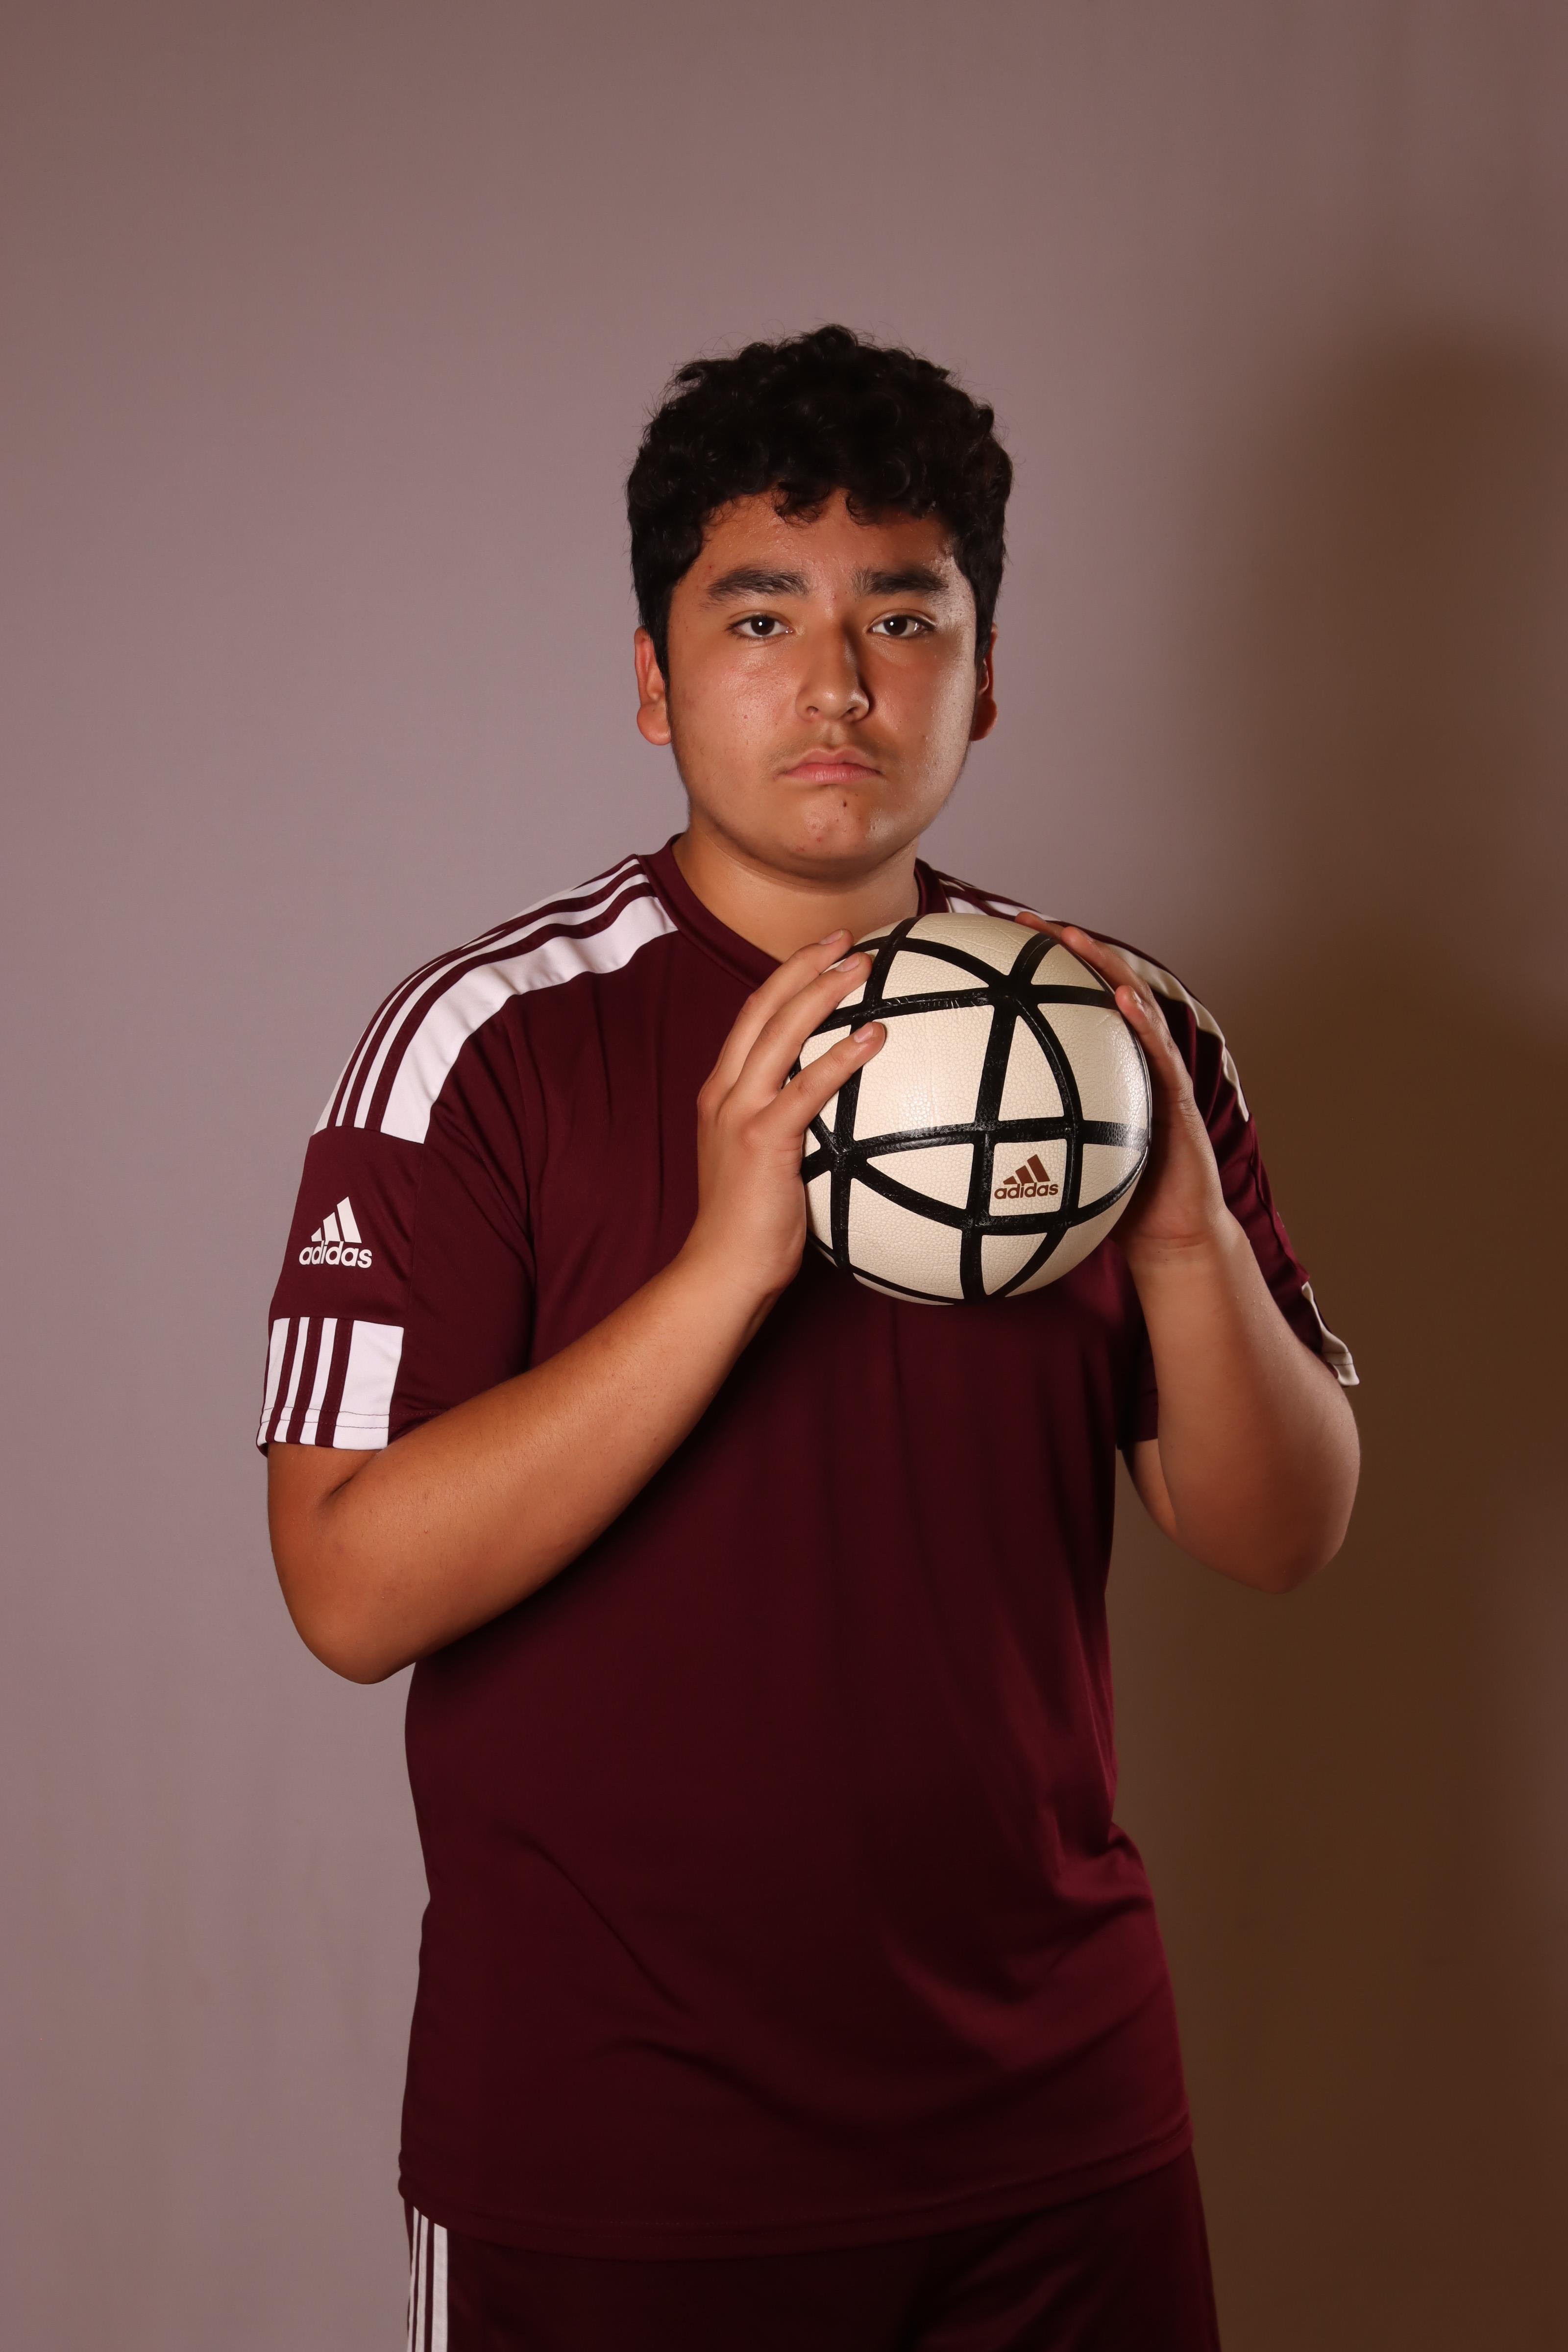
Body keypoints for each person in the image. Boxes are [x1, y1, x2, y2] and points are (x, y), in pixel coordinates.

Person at [261, 325, 1359, 2350]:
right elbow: (345, 1585)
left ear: (985, 675)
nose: (838, 684)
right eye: (759, 616)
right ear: (654, 677)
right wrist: (721, 1274)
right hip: (619, 2148)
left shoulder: (1114, 1036)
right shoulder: (483, 1043)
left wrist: (1184, 1228)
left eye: (904, 617)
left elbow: (1279, 1530)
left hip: (1052, 2123)